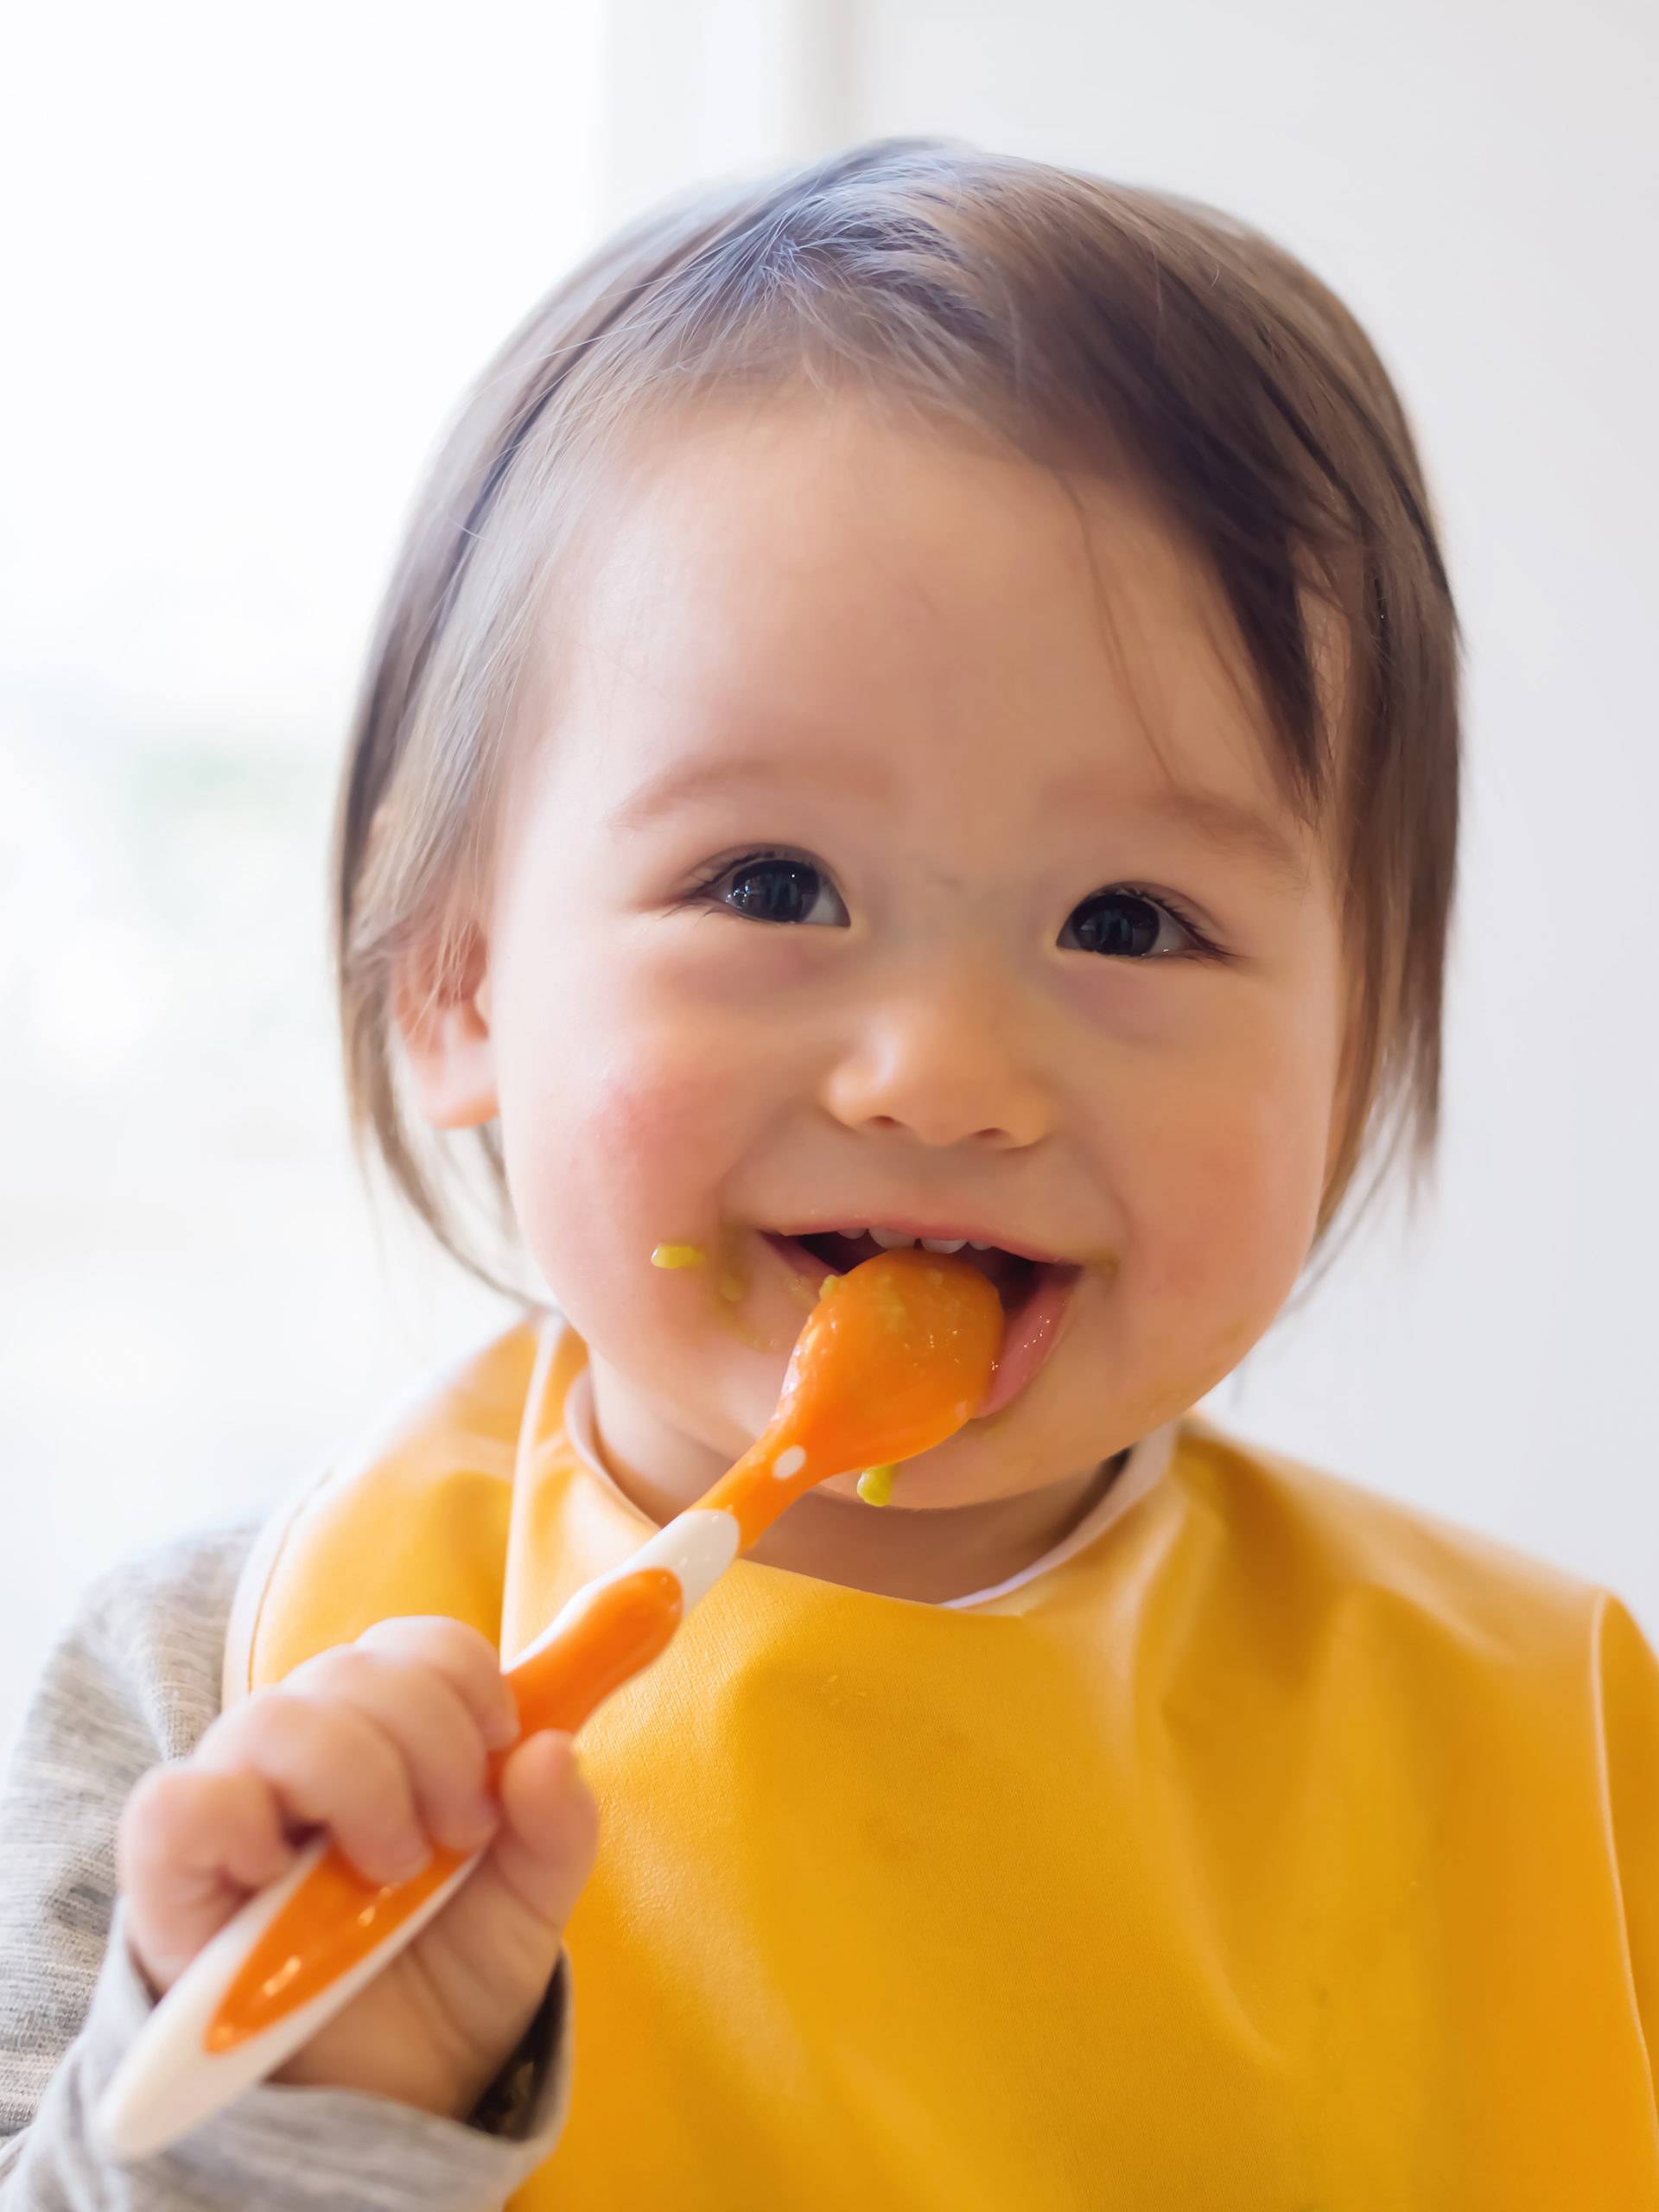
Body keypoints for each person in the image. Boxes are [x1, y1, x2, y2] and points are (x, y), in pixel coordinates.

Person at [3, 140, 1656, 2210]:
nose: (946, 1074)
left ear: (1361, 1036)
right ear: (461, 981)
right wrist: (292, 2118)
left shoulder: (1558, 1744)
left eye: (1132, 920)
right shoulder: (227, 1701)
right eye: (772, 884)